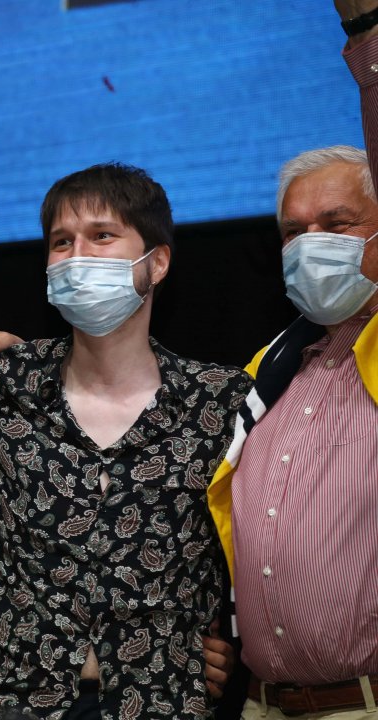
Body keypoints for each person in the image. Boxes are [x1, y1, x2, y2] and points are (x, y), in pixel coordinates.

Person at [0, 162, 252, 719]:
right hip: (10, 702)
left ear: (157, 262)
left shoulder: (221, 402)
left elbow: (259, 546)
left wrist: (237, 646)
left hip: (162, 704)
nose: (78, 255)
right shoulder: (4, 383)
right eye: (62, 241)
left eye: (102, 236)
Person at [201, 4, 378, 708]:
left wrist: (368, 30)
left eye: (338, 225)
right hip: (263, 704)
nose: (311, 245)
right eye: (293, 232)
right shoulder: (269, 372)